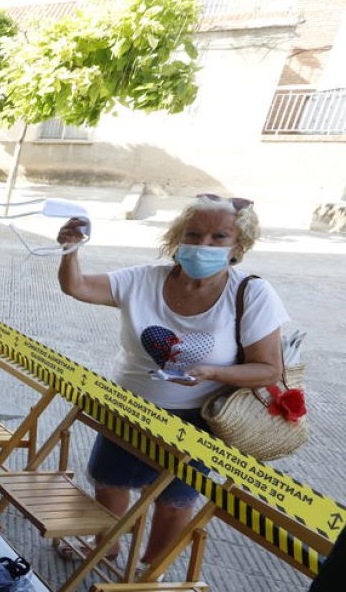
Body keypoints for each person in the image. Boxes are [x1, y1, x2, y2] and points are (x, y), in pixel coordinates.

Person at [55, 194, 288, 569]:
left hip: (195, 419)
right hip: (129, 405)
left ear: (238, 247)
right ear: (177, 237)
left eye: (218, 238)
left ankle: (151, 568)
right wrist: (70, 251)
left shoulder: (251, 293)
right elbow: (78, 287)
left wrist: (213, 373)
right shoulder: (144, 279)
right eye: (193, 234)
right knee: (108, 478)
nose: (202, 245)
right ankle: (106, 545)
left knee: (174, 498)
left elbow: (268, 369)